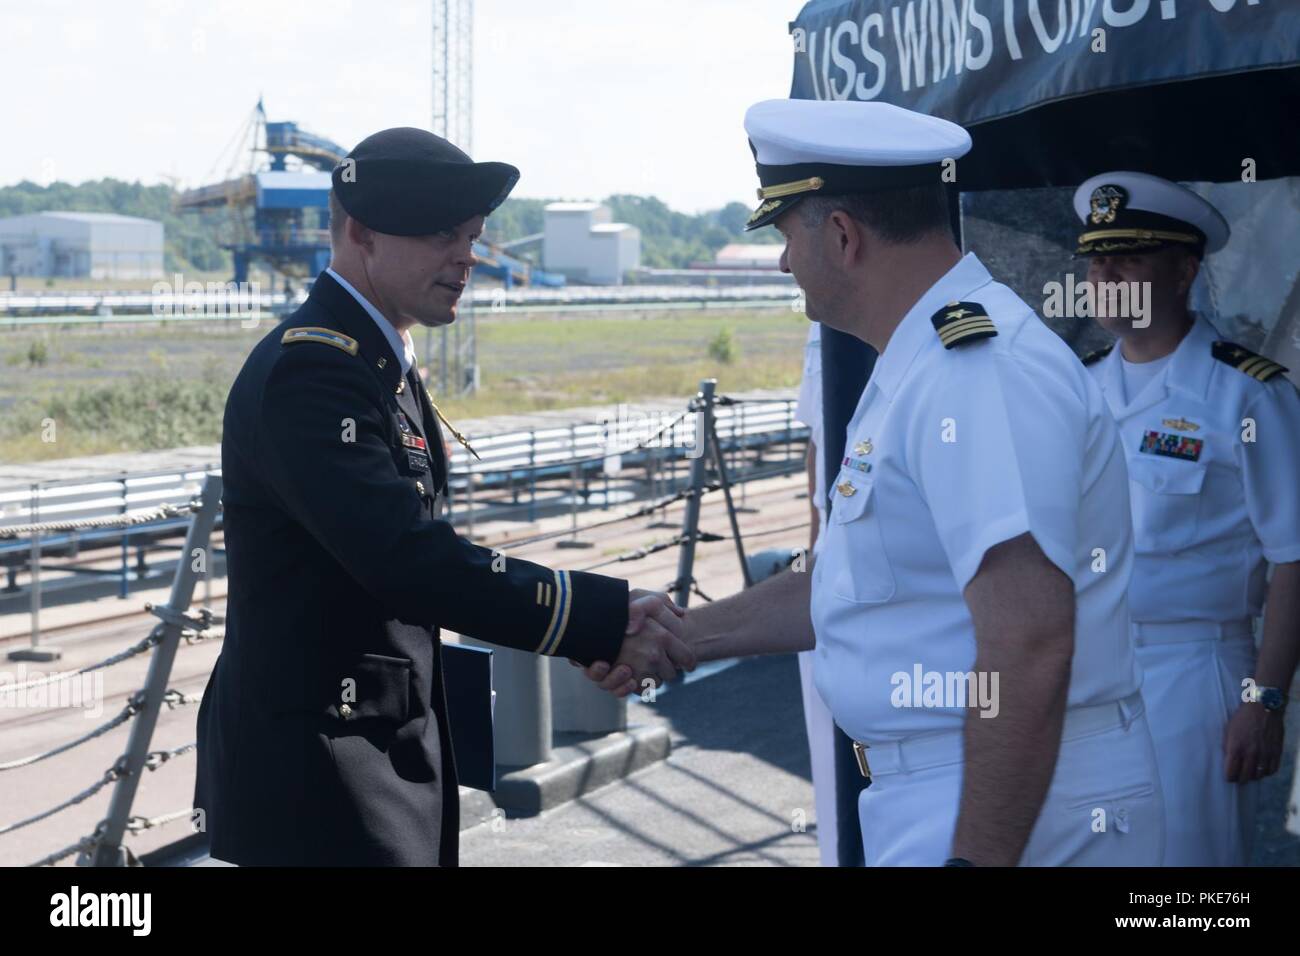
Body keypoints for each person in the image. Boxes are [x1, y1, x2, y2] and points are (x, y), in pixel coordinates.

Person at [589, 99, 1163, 866]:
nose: (785, 262)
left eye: (787, 235)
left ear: (841, 235)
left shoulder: (976, 372)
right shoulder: (920, 364)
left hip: (1006, 802)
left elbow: (1027, 637)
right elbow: (850, 586)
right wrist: (683, 638)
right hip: (951, 785)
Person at [195, 127, 693, 866]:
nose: (466, 256)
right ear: (359, 231)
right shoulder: (314, 373)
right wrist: (595, 617)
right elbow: (406, 561)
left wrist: (593, 623)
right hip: (326, 777)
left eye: (472, 235)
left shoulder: (375, 362)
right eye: (438, 234)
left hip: (379, 751)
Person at [1073, 170, 1300, 866]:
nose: (1106, 273)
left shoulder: (1246, 396)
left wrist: (1264, 701)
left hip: (1195, 671)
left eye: (1130, 257)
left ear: (1184, 271)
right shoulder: (1073, 388)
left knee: (1187, 877)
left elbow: (1293, 558)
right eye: (1097, 258)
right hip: (1087, 672)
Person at [793, 320, 840, 865]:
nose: (784, 262)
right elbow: (816, 443)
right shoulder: (819, 322)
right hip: (830, 558)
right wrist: (809, 563)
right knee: (829, 776)